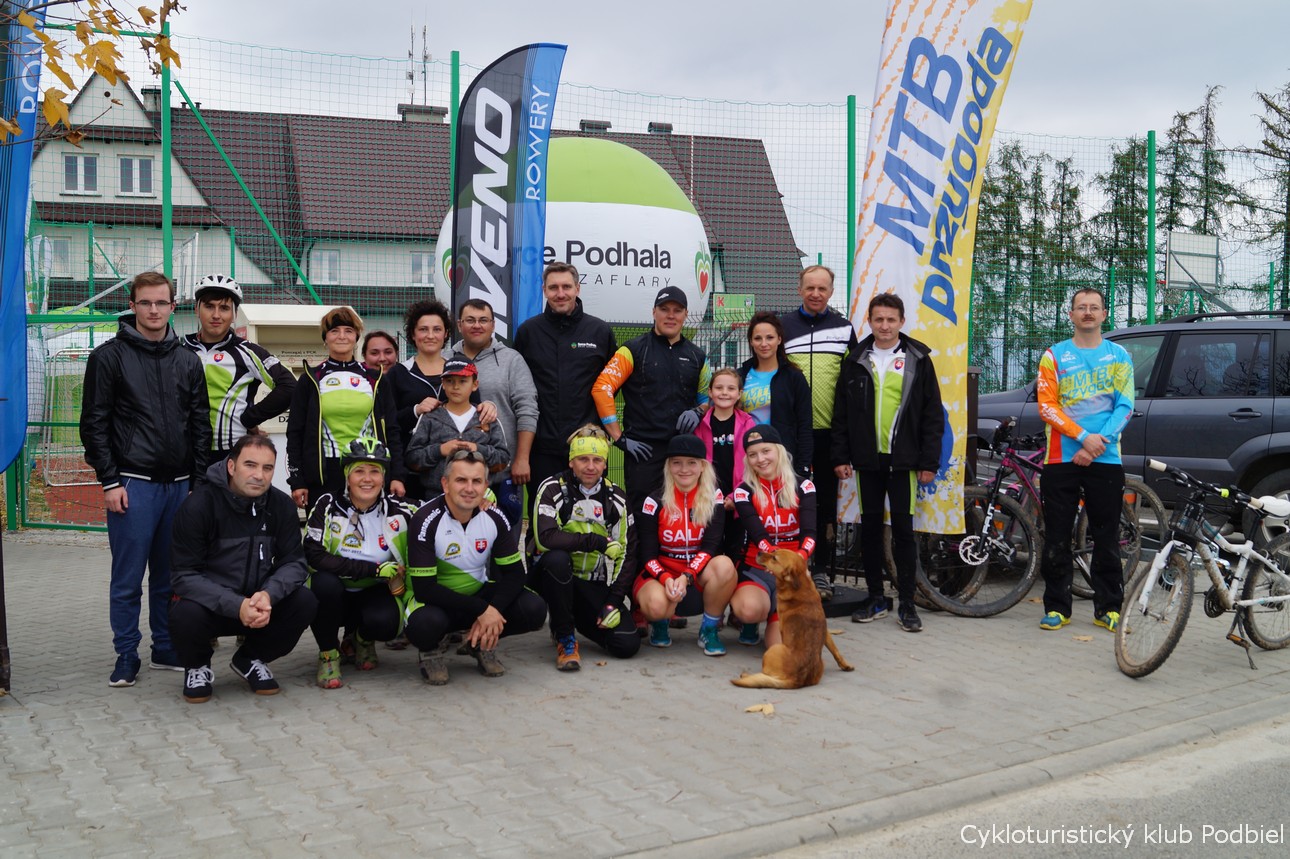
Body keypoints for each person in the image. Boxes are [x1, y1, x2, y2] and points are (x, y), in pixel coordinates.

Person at [80, 271, 211, 687]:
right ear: (132, 306)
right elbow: (94, 424)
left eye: (161, 303)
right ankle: (126, 655)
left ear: (174, 306)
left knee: (170, 577)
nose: (153, 310)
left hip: (180, 486)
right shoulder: (108, 357)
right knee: (128, 578)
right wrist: (109, 481)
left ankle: (165, 648)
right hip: (132, 484)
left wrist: (197, 484)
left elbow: (200, 425)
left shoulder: (187, 360)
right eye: (145, 303)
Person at [168, 435, 318, 703]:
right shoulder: (198, 505)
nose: (259, 475)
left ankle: (251, 659)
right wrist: (237, 605)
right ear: (231, 466)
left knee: (304, 601)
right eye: (250, 465)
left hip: (259, 605)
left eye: (267, 468)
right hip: (213, 606)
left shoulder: (281, 505)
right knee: (183, 612)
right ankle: (197, 666)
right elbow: (184, 576)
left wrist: (269, 594)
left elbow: (294, 562)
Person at [832, 293, 944, 634]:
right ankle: (876, 598)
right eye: (878, 319)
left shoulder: (918, 359)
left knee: (904, 534)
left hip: (904, 462)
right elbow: (842, 414)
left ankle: (907, 603)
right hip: (867, 461)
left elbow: (932, 415)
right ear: (869, 321)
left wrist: (929, 461)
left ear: (901, 322)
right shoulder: (855, 359)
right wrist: (840, 456)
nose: (884, 326)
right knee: (869, 530)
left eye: (890, 320)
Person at [404, 449, 548, 685]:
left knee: (534, 609)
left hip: (474, 595)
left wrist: (492, 610)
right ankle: (430, 651)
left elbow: (515, 574)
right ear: (445, 484)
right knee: (425, 625)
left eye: (476, 481)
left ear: (485, 486)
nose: (469, 489)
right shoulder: (425, 519)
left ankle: (479, 642)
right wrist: (483, 610)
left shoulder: (494, 516)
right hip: (433, 602)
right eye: (461, 480)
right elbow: (424, 589)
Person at [1036, 288, 1134, 633]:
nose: (1088, 312)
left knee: (1106, 537)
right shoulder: (1053, 356)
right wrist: (1082, 437)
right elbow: (1047, 407)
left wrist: (1095, 445)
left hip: (1105, 459)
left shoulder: (1119, 356)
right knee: (1057, 537)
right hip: (1060, 458)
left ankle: (1108, 608)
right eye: (1081, 307)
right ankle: (1056, 608)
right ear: (1072, 315)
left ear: (1104, 314)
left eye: (1094, 307)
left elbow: (1125, 406)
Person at [305, 437, 420, 689]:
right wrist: (373, 569)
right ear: (347, 476)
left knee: (389, 623)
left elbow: (442, 509)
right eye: (359, 471)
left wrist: (482, 500)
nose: (367, 479)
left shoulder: (400, 509)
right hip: (336, 591)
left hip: (374, 591)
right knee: (322, 585)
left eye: (374, 472)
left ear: (384, 477)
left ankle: (361, 639)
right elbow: (314, 555)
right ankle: (328, 654)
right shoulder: (327, 505)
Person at [532, 426, 640, 670]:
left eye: (597, 460)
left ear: (605, 464)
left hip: (592, 582)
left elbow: (628, 553)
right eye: (583, 459)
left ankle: (573, 618)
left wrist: (613, 601)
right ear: (571, 461)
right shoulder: (552, 488)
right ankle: (565, 637)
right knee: (557, 559)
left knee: (626, 643)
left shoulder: (616, 498)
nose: (590, 466)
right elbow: (545, 538)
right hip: (553, 578)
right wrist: (597, 542)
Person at [593, 286, 710, 509]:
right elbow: (602, 389)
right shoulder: (632, 350)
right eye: (664, 309)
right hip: (643, 453)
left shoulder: (698, 356)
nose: (671, 315)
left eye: (677, 310)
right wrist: (619, 438)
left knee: (682, 515)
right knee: (641, 517)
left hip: (682, 452)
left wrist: (698, 411)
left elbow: (706, 399)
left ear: (686, 314)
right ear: (654, 312)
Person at [514, 261, 618, 508]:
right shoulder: (529, 332)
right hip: (542, 447)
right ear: (544, 290)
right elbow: (518, 386)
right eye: (553, 288)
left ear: (577, 289)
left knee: (590, 513)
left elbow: (612, 385)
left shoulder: (599, 331)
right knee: (544, 514)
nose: (560, 294)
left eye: (566, 287)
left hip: (587, 446)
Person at [782, 264, 857, 601]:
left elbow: (854, 385)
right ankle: (787, 570)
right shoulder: (783, 327)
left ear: (831, 292)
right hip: (789, 434)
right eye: (810, 287)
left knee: (825, 506)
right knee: (786, 504)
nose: (815, 294)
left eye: (822, 288)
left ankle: (822, 570)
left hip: (829, 434)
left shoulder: (844, 329)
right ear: (799, 289)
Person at [286, 306, 406, 511]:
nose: (342, 336)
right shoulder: (311, 379)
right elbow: (295, 432)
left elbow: (392, 430)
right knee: (323, 529)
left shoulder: (375, 378)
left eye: (348, 331)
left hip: (367, 469)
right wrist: (297, 480)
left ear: (356, 337)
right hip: (323, 474)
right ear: (325, 338)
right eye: (335, 331)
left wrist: (397, 475)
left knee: (367, 528)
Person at [633, 434, 737, 655]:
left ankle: (709, 630)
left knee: (725, 565)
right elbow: (647, 555)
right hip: (662, 575)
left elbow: (710, 547)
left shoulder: (715, 497)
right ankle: (660, 624)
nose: (684, 469)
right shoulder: (654, 500)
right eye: (677, 463)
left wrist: (687, 576)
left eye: (691, 463)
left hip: (697, 576)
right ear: (668, 466)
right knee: (655, 606)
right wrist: (666, 578)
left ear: (702, 466)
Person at [385, 301, 497, 501]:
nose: (430, 335)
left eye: (437, 329)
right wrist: (415, 410)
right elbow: (388, 423)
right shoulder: (398, 374)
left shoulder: (461, 369)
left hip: (458, 478)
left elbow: (476, 414)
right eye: (423, 329)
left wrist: (488, 407)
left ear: (446, 334)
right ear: (413, 334)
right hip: (410, 475)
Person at [182, 274, 296, 462]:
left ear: (234, 314)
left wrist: (249, 419)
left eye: (224, 308)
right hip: (184, 452)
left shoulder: (249, 352)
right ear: (196, 309)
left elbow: (289, 387)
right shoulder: (179, 349)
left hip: (231, 453)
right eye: (209, 306)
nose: (216, 315)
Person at [451, 298, 538, 526]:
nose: (477, 325)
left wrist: (522, 459)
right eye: (470, 320)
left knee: (503, 540)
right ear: (459, 325)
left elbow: (527, 409)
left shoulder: (511, 360)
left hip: (502, 471)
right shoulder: (446, 358)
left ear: (493, 325)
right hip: (457, 475)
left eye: (483, 320)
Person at [730, 424, 817, 649]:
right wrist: (774, 558)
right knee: (749, 610)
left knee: (782, 648)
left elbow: (809, 534)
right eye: (753, 455)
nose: (760, 459)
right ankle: (751, 622)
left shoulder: (804, 486)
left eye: (765, 451)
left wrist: (797, 561)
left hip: (791, 571)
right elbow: (759, 535)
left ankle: (776, 615)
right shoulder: (743, 491)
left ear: (779, 450)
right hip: (757, 568)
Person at [404, 358, 509, 490]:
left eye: (463, 381)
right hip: (436, 494)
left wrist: (478, 449)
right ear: (443, 384)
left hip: (478, 495)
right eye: (450, 381)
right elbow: (412, 459)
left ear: (475, 384)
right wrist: (440, 450)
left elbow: (503, 460)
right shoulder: (430, 417)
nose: (456, 387)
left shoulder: (486, 417)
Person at [738, 311, 813, 479]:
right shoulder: (741, 376)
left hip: (784, 460)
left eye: (770, 337)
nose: (764, 344)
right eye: (758, 338)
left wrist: (803, 468)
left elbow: (804, 425)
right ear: (751, 341)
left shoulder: (794, 377)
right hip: (749, 458)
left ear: (779, 339)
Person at [694, 367, 755, 561]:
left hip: (736, 499)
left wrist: (736, 496)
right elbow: (696, 464)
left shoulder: (747, 423)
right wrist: (708, 494)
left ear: (739, 394)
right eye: (719, 388)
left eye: (731, 388)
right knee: (711, 551)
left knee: (735, 553)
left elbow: (752, 466)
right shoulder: (700, 423)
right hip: (709, 499)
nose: (724, 393)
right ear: (710, 392)